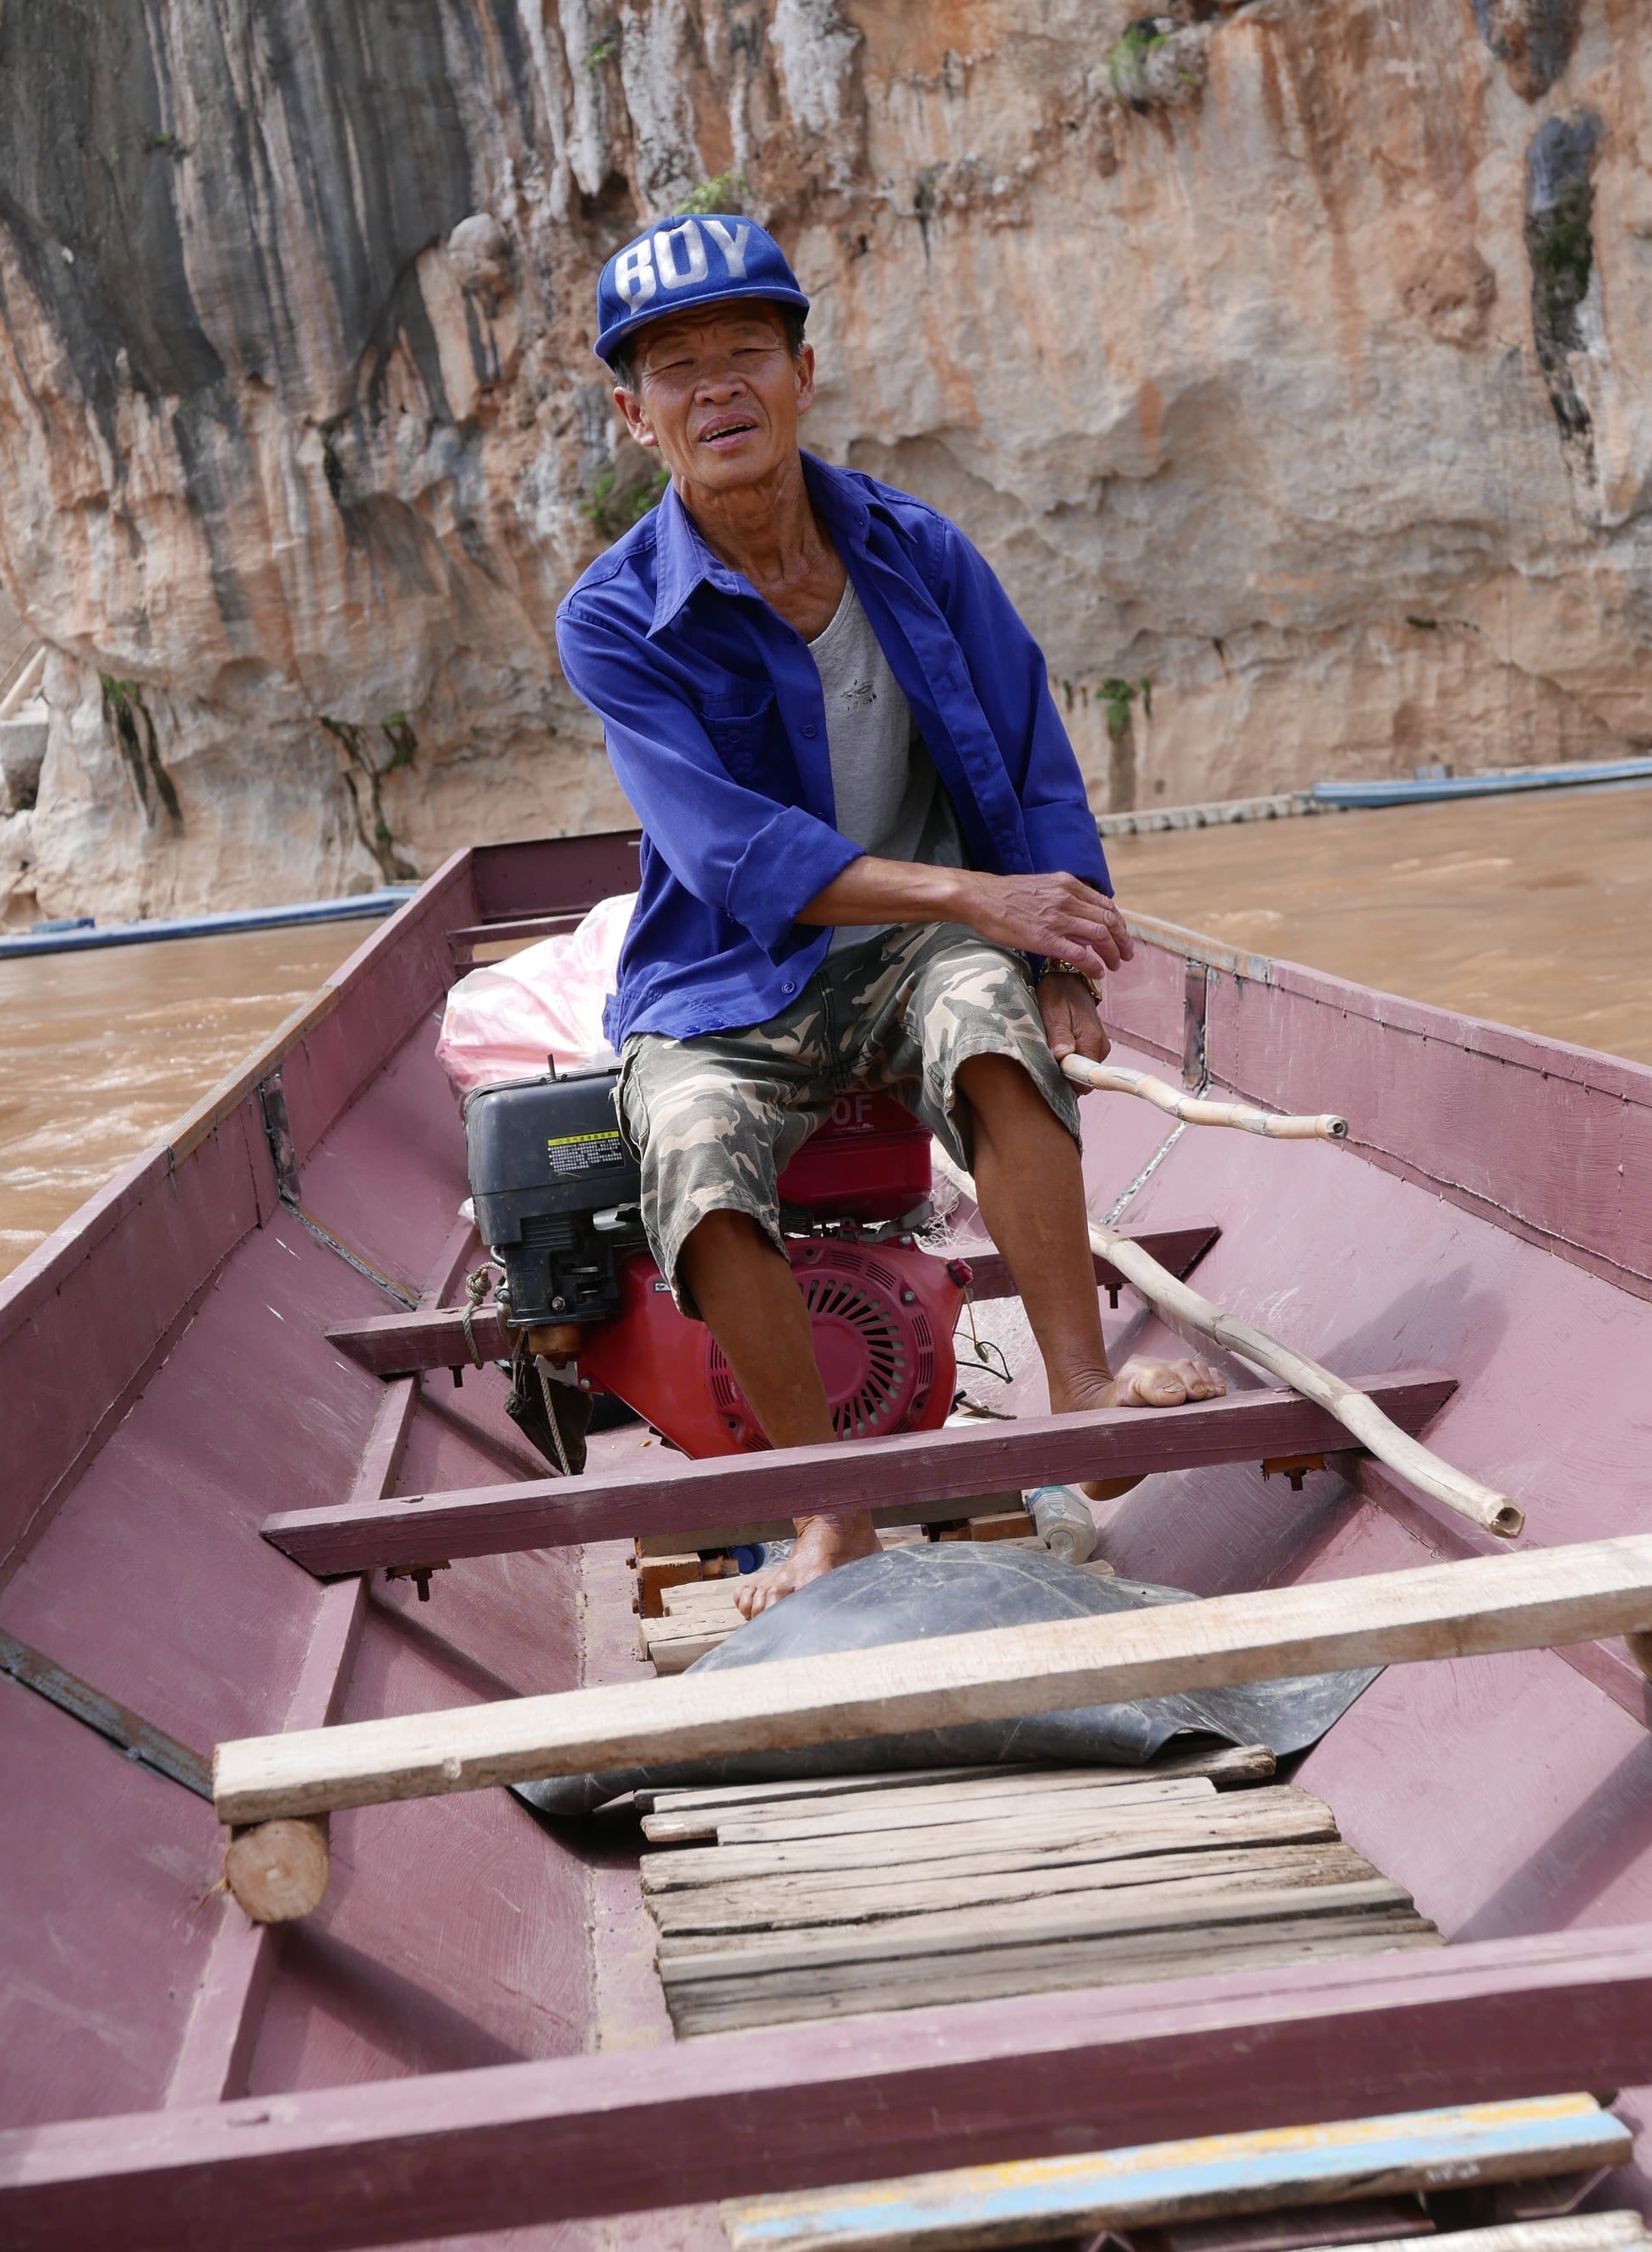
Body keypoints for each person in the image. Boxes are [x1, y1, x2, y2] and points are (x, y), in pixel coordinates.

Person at [556, 214, 1223, 1617]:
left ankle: (1082, 1387)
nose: (717, 388)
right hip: (727, 980)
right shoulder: (614, 618)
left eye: (746, 352)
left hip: (921, 960)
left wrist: (1059, 950)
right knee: (685, 1140)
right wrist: (984, 897)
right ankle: (826, 1513)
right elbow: (734, 854)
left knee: (989, 1009)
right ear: (635, 415)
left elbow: (1028, 759)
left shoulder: (917, 550)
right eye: (676, 369)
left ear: (805, 372)